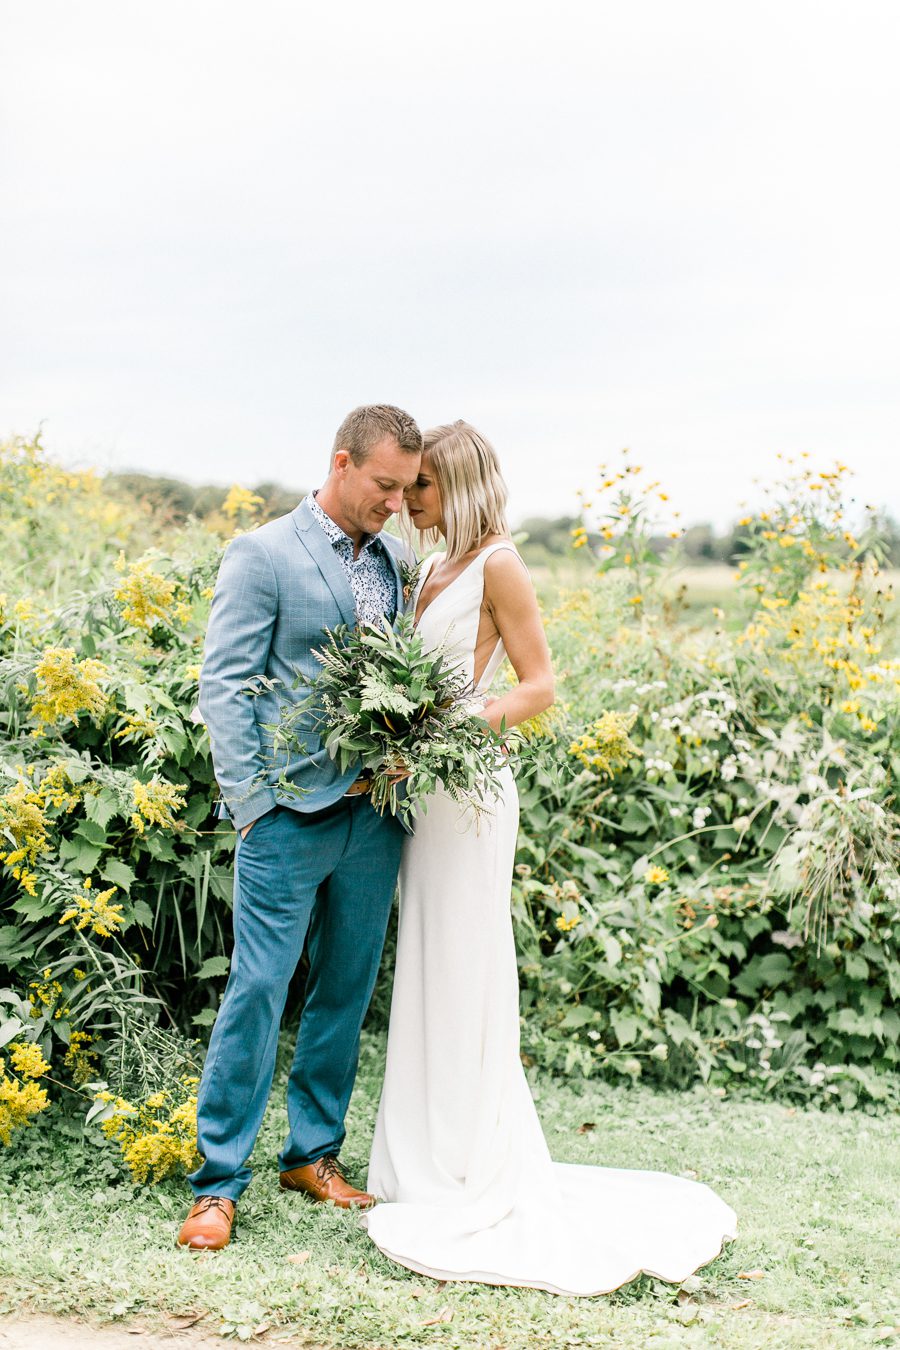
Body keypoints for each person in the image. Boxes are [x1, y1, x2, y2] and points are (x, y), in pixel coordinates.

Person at [364, 420, 737, 1295]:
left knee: (465, 964)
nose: (407, 501)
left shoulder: (498, 562)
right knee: (425, 964)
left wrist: (452, 728)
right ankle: (420, 1155)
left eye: (421, 488)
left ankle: (467, 1161)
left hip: (470, 793)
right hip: (425, 798)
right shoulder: (428, 568)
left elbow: (538, 687)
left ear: (456, 487)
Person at [177, 404, 422, 1251]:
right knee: (258, 992)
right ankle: (217, 1185)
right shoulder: (264, 553)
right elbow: (227, 684)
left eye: (404, 489)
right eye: (384, 485)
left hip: (376, 816)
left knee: (345, 995)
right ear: (343, 462)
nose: (395, 502)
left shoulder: (396, 557)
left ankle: (312, 1154)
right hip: (289, 817)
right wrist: (254, 805)